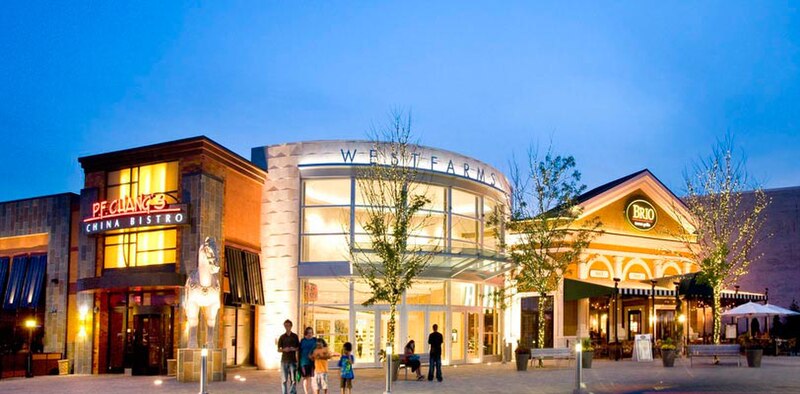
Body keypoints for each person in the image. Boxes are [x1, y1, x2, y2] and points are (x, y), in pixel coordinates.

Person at [278, 319, 301, 394]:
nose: (287, 327)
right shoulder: (282, 337)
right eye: (286, 325)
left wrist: (293, 349)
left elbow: (298, 348)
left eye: (288, 325)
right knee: (284, 380)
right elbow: (278, 349)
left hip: (292, 360)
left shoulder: (295, 336)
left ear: (291, 326)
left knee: (293, 379)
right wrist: (284, 350)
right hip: (284, 361)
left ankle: (292, 392)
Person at [299, 327, 318, 394]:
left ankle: (314, 392)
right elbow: (299, 351)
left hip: (313, 362)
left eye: (311, 332)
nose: (310, 334)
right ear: (306, 333)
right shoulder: (302, 341)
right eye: (308, 332)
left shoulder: (315, 340)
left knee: (313, 378)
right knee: (306, 378)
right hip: (304, 362)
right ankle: (306, 393)